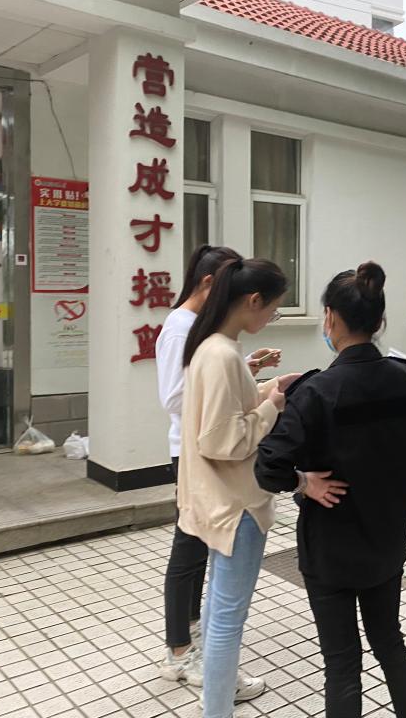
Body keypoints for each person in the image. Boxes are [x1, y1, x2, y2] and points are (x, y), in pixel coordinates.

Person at [255, 261, 406, 718]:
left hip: (331, 549)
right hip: (387, 540)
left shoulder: (316, 391)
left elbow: (268, 466)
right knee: (389, 642)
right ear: (380, 321)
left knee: (342, 663)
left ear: (330, 318)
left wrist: (304, 482)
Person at [154, 245, 280, 693]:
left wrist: (245, 371)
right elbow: (175, 396)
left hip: (206, 450)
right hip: (194, 453)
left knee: (201, 553)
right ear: (210, 283)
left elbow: (210, 389)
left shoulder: (210, 337)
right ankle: (180, 652)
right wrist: (250, 396)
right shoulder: (182, 329)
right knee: (189, 552)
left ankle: (196, 647)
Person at [178, 256, 298, 718]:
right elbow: (222, 440)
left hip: (216, 500)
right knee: (228, 617)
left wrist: (266, 390)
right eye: (274, 309)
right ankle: (217, 710)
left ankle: (216, 702)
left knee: (217, 608)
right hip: (237, 506)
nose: (272, 317)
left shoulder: (212, 345)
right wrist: (273, 407)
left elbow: (223, 415)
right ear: (253, 300)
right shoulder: (223, 354)